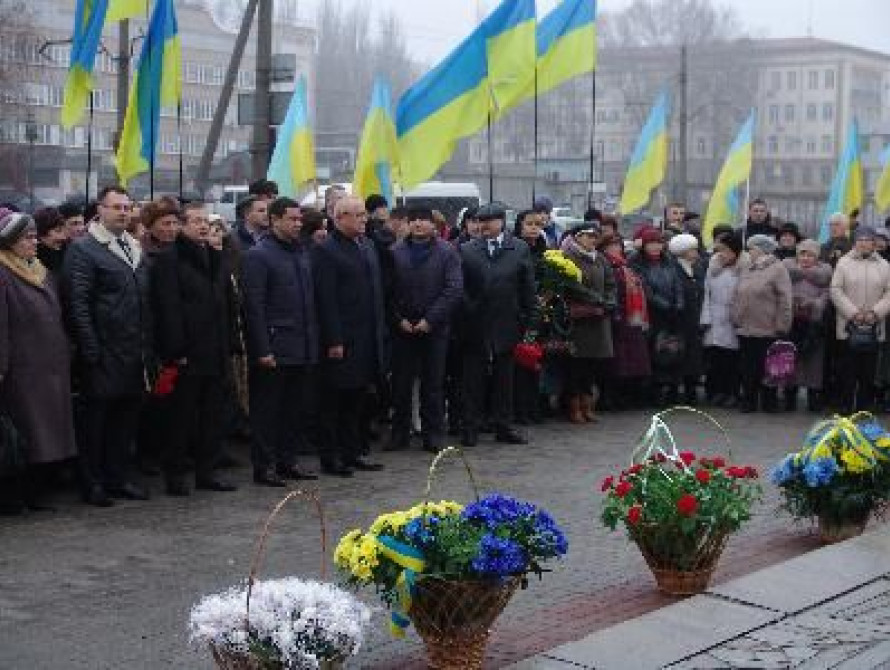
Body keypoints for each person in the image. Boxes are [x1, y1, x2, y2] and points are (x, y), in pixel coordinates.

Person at [63, 185, 153, 506]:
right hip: (101, 352)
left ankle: (118, 478)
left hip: (133, 351)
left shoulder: (134, 246)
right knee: (95, 423)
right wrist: (90, 349)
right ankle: (93, 482)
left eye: (127, 208)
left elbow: (144, 301)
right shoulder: (84, 249)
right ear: (99, 210)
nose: (123, 213)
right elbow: (78, 303)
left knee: (124, 421)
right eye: (116, 207)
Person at [150, 202, 238, 496]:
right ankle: (175, 474)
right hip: (188, 352)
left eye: (206, 221)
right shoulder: (168, 260)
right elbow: (168, 307)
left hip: (215, 349)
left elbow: (227, 304)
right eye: (196, 221)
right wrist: (175, 350)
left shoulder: (215, 257)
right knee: (182, 417)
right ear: (182, 225)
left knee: (213, 415)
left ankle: (207, 471)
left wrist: (231, 344)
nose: (203, 226)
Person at [0, 212, 77, 514]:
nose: (35, 242)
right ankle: (14, 496)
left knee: (46, 433)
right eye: (28, 238)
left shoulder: (38, 269)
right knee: (23, 434)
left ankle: (36, 490)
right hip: (21, 369)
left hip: (50, 366)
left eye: (34, 236)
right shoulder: (3, 273)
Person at [242, 197, 321, 485]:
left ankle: (288, 461)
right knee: (268, 411)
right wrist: (263, 348)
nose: (298, 224)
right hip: (275, 346)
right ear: (275, 220)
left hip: (301, 345)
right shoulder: (258, 255)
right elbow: (254, 306)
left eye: (300, 219)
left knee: (293, 409)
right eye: (292, 219)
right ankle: (264, 466)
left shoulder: (300, 253)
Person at [313, 196, 387, 476]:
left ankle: (353, 452)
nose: (363, 220)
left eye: (364, 215)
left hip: (367, 337)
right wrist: (334, 340)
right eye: (357, 215)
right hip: (342, 340)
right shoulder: (326, 251)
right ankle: (331, 457)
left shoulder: (367, 246)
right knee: (334, 402)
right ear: (339, 218)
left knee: (358, 400)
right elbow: (326, 299)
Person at [387, 207, 463, 452]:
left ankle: (434, 435)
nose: (418, 224)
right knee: (400, 384)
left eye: (424, 220)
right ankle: (399, 433)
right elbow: (386, 291)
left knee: (433, 384)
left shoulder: (447, 252)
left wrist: (430, 319)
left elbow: (453, 289)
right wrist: (398, 319)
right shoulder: (395, 251)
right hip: (402, 329)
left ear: (434, 225)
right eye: (414, 220)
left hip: (435, 329)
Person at [459, 203, 535, 446]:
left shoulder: (519, 248)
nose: (482, 227)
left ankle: (503, 425)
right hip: (475, 323)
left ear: (501, 222)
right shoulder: (467, 250)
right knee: (473, 379)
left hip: (507, 322)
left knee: (505, 379)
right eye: (479, 222)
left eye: (488, 222)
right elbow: (460, 287)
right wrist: (469, 309)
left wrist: (528, 321)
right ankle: (470, 426)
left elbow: (527, 288)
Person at [830, 226, 890, 414]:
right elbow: (835, 290)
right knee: (847, 371)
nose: (864, 243)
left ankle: (863, 410)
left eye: (868, 239)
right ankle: (846, 408)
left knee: (868, 373)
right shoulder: (843, 263)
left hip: (874, 327)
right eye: (860, 239)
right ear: (855, 242)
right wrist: (853, 313)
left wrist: (875, 313)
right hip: (849, 326)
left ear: (874, 243)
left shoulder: (885, 265)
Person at [731, 234, 793, 413]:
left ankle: (769, 402)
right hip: (746, 327)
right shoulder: (747, 268)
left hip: (768, 327)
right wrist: (736, 316)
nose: (748, 252)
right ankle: (748, 400)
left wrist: (782, 325)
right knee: (748, 367)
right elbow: (738, 294)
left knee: (769, 367)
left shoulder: (777, 268)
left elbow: (785, 299)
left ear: (760, 249)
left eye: (751, 248)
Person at [562, 222, 617, 422]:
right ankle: (574, 408)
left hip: (599, 319)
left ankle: (587, 406)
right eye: (587, 236)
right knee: (576, 366)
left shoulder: (601, 258)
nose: (592, 240)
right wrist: (596, 299)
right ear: (577, 237)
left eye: (595, 236)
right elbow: (572, 285)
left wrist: (609, 300)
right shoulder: (568, 257)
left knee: (592, 366)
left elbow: (611, 283)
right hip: (579, 319)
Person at [630, 227, 684, 406]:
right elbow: (646, 289)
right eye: (651, 243)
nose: (655, 247)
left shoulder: (669, 261)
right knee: (651, 353)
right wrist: (665, 306)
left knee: (669, 351)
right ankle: (650, 392)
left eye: (658, 243)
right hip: (651, 314)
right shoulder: (637, 263)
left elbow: (678, 284)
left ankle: (668, 389)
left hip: (671, 315)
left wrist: (678, 304)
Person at [600, 233, 651, 409]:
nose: (617, 248)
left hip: (630, 318)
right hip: (616, 316)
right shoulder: (606, 264)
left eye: (618, 245)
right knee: (614, 362)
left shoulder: (624, 265)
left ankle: (624, 396)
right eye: (612, 245)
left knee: (629, 361)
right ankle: (610, 397)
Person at [784, 239, 832, 412]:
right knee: (791, 360)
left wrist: (813, 304)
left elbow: (826, 296)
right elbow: (782, 292)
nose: (806, 258)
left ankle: (813, 398)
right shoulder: (788, 272)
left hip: (813, 324)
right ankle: (790, 397)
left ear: (816, 257)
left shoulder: (824, 274)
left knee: (814, 363)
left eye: (810, 255)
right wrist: (792, 302)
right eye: (803, 254)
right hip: (792, 322)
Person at [512, 210, 548, 424]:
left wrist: (547, 295)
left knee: (534, 359)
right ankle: (518, 409)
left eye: (537, 224)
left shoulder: (544, 251)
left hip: (539, 312)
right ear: (519, 225)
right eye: (529, 223)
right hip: (518, 312)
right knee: (518, 363)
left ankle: (533, 406)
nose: (534, 228)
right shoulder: (513, 248)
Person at [700, 232, 744, 407]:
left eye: (725, 250)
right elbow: (706, 294)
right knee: (715, 359)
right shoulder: (713, 268)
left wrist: (738, 317)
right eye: (719, 250)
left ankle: (731, 392)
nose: (722, 254)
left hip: (734, 319)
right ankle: (715, 391)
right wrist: (706, 318)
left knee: (732, 360)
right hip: (715, 318)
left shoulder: (742, 269)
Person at [669, 233, 706, 405]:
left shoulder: (698, 268)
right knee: (677, 356)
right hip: (679, 319)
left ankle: (691, 392)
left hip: (695, 318)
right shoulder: (673, 269)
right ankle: (674, 391)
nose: (695, 252)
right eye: (692, 249)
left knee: (694, 358)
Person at [33, 207, 70, 280]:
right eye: (58, 231)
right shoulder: (32, 260)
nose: (64, 237)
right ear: (41, 234)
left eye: (64, 230)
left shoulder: (68, 251)